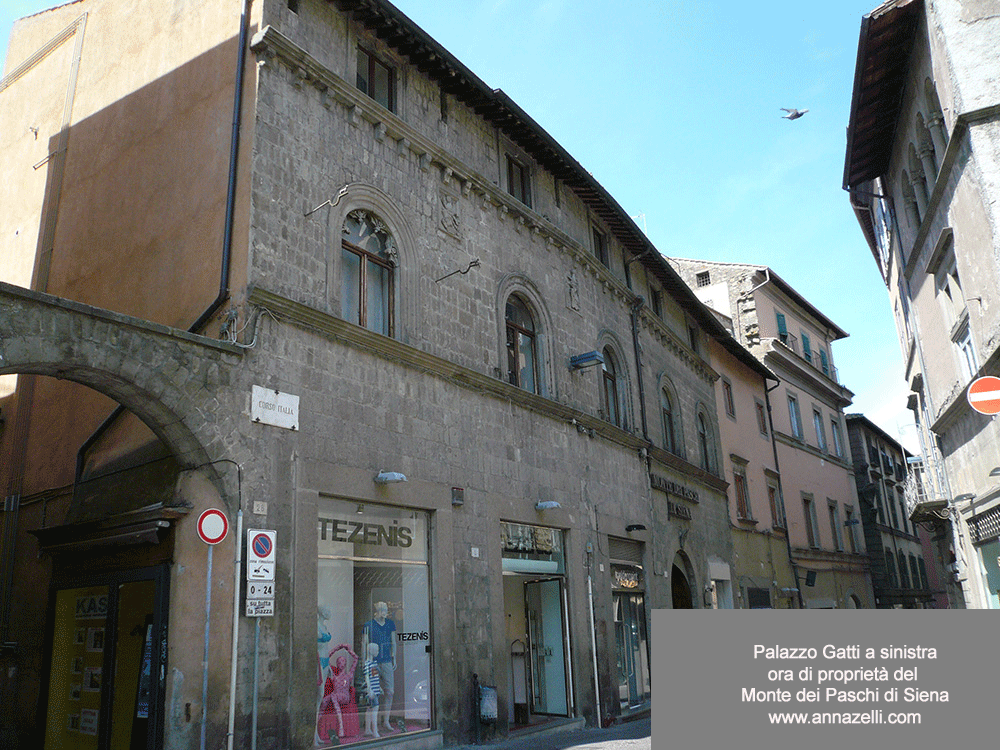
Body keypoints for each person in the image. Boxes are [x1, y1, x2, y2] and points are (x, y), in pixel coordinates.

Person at [361, 601, 397, 732]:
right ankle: (370, 726)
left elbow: (393, 641)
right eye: (383, 610)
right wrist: (364, 661)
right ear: (378, 611)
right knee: (372, 692)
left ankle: (386, 721)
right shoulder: (368, 625)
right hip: (373, 662)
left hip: (387, 660)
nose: (385, 612)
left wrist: (394, 657)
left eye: (386, 610)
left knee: (390, 691)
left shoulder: (390, 624)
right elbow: (364, 644)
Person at [321, 644, 358, 738]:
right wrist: (337, 648)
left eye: (343, 661)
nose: (341, 663)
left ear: (345, 663)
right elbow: (326, 658)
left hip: (345, 697)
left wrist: (349, 650)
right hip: (336, 697)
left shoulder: (349, 675)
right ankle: (317, 721)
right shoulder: (334, 676)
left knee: (333, 696)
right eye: (339, 662)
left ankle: (341, 727)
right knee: (325, 700)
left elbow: (356, 658)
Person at [363, 642, 382, 738]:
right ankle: (374, 731)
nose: (378, 652)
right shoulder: (367, 664)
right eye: (377, 650)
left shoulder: (373, 664)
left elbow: (375, 677)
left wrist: (379, 688)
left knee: (369, 709)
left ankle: (368, 729)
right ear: (371, 651)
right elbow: (367, 678)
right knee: (374, 709)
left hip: (375, 689)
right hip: (371, 691)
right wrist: (369, 689)